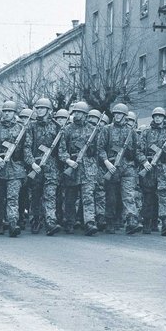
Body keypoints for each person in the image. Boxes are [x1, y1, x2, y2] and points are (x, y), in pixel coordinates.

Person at [98, 103, 143, 234]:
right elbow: (100, 148)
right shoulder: (107, 129)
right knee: (111, 196)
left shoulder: (131, 132)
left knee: (128, 195)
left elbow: (138, 150)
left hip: (128, 168)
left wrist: (143, 161)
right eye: (116, 114)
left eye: (120, 114)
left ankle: (131, 220)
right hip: (111, 167)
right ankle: (110, 221)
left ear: (125, 116)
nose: (118, 116)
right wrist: (106, 162)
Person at [24, 97, 63, 236]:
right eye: (38, 108)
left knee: (50, 195)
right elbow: (27, 147)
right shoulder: (31, 126)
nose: (39, 110)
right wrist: (32, 163)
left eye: (42, 108)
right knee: (35, 195)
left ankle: (50, 222)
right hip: (36, 165)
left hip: (51, 167)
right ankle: (35, 219)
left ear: (49, 110)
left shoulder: (57, 127)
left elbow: (61, 150)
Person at [61, 101, 100, 236]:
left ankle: (89, 222)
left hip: (88, 168)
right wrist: (68, 161)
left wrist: (90, 150)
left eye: (79, 113)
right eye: (75, 112)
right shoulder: (67, 129)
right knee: (70, 197)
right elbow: (62, 150)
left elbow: (98, 150)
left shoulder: (93, 129)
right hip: (72, 166)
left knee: (88, 196)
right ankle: (69, 221)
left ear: (85, 114)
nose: (76, 115)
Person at [0, 101, 25, 237]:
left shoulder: (21, 128)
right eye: (5, 111)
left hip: (16, 168)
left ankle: (13, 223)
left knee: (13, 198)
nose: (7, 113)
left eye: (10, 111)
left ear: (15, 113)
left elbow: (26, 148)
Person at [138, 107, 166, 236]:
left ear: (164, 118)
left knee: (164, 195)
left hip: (163, 168)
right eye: (156, 116)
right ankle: (147, 222)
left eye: (160, 116)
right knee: (148, 196)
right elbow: (138, 150)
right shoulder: (146, 133)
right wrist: (144, 162)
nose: (158, 118)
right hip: (149, 167)